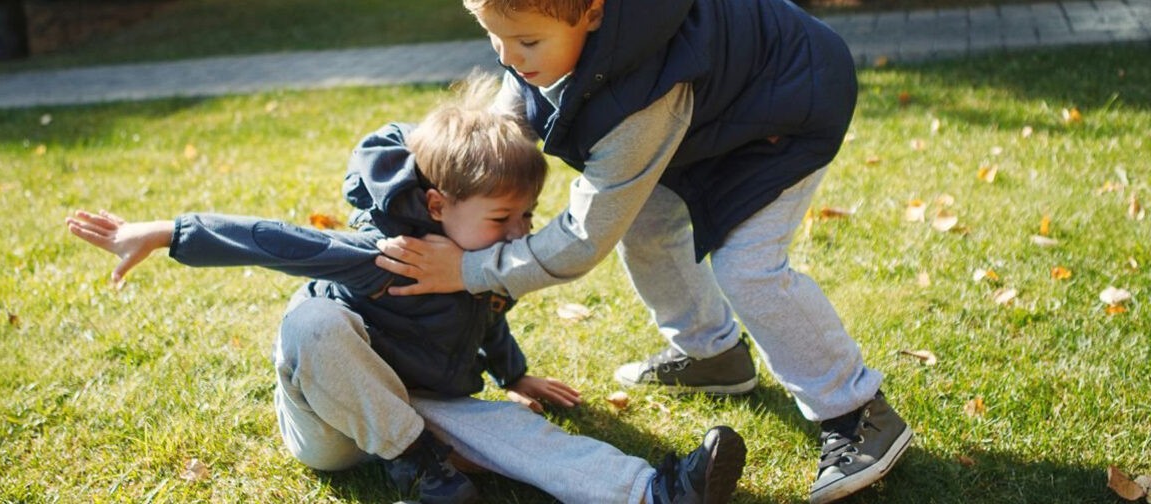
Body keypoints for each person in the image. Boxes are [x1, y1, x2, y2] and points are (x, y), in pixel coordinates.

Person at [65, 77, 746, 504]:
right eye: (503, 219)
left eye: (527, 219)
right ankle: (420, 465)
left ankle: (654, 491)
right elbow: (273, 241)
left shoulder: (485, 262)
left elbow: (482, 318)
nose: (518, 234)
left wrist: (518, 374)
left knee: (514, 431)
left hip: (413, 411)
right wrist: (166, 232)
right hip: (333, 424)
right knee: (310, 323)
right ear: (438, 205)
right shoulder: (383, 253)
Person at [371, 1, 912, 502]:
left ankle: (857, 410)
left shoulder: (646, 95)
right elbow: (494, 136)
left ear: (592, 12)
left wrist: (468, 270)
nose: (509, 58)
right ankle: (712, 353)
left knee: (747, 267)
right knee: (648, 224)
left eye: (528, 43)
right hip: (715, 117)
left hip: (788, 107)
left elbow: (584, 238)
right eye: (494, 37)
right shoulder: (549, 36)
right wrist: (410, 181)